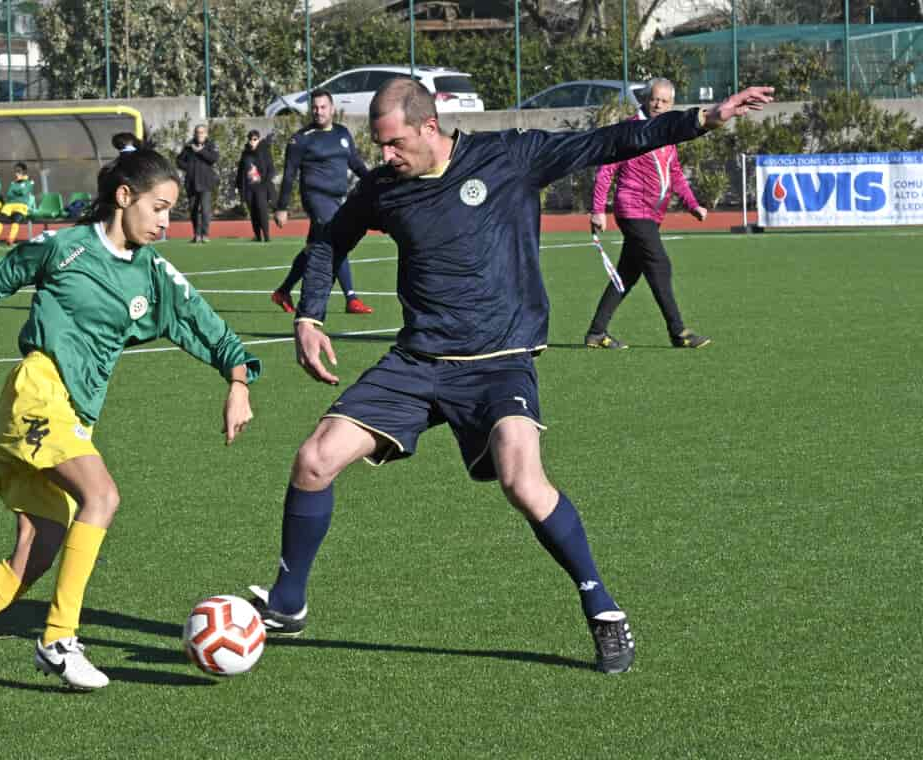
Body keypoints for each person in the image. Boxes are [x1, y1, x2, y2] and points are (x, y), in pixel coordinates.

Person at [248, 78, 773, 674]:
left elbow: (613, 141)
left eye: (392, 142)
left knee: (522, 480)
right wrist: (311, 314)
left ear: (428, 125)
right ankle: (288, 603)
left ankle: (602, 608)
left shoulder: (509, 156)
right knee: (314, 460)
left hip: (501, 360)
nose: (383, 156)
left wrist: (703, 118)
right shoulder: (382, 188)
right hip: (419, 361)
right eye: (378, 145)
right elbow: (328, 241)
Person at [0, 148, 261, 690]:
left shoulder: (154, 275)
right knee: (103, 496)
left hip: (73, 416)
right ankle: (58, 640)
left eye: (171, 212)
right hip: (37, 395)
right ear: (124, 196)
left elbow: (209, 328)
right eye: (158, 208)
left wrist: (238, 383)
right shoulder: (64, 247)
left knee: (33, 556)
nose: (165, 222)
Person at [585, 78, 712, 350]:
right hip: (632, 210)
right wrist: (597, 209)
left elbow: (675, 174)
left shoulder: (668, 134)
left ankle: (596, 333)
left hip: (652, 215)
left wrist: (693, 205)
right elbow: (606, 170)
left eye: (665, 101)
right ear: (645, 99)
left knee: (627, 275)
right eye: (655, 99)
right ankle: (678, 332)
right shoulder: (630, 130)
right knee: (660, 265)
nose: (659, 104)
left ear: (672, 105)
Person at [270, 89, 373, 316]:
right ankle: (351, 298)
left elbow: (355, 163)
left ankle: (283, 291)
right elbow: (289, 174)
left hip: (338, 199)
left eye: (323, 107)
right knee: (339, 240)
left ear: (332, 108)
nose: (318, 111)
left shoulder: (343, 133)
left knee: (313, 248)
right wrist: (282, 207)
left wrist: (374, 182)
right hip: (316, 198)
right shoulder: (301, 139)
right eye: (315, 107)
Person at [176, 124, 219, 243]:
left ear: (206, 134)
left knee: (205, 210)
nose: (199, 135)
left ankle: (205, 234)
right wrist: (189, 167)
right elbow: (179, 161)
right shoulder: (188, 146)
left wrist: (201, 151)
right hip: (191, 183)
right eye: (197, 132)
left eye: (202, 132)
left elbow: (213, 158)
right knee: (193, 210)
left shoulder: (211, 145)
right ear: (194, 134)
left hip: (206, 183)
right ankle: (197, 234)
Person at [236, 130, 276, 243]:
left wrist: (265, 182)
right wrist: (238, 186)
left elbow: (271, 170)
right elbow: (240, 171)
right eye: (250, 139)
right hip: (248, 187)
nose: (252, 141)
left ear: (258, 139)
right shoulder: (245, 153)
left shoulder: (264, 151)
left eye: (255, 139)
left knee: (262, 210)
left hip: (261, 187)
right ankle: (257, 235)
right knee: (253, 212)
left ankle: (267, 235)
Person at [0, 162, 35, 246]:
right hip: (9, 204)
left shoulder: (30, 182)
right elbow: (9, 194)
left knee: (16, 219)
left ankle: (10, 239)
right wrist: (17, 191)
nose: (16, 173)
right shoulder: (13, 183)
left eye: (19, 171)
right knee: (0, 219)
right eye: (16, 171)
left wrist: (16, 190)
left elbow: (24, 192)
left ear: (24, 172)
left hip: (21, 204)